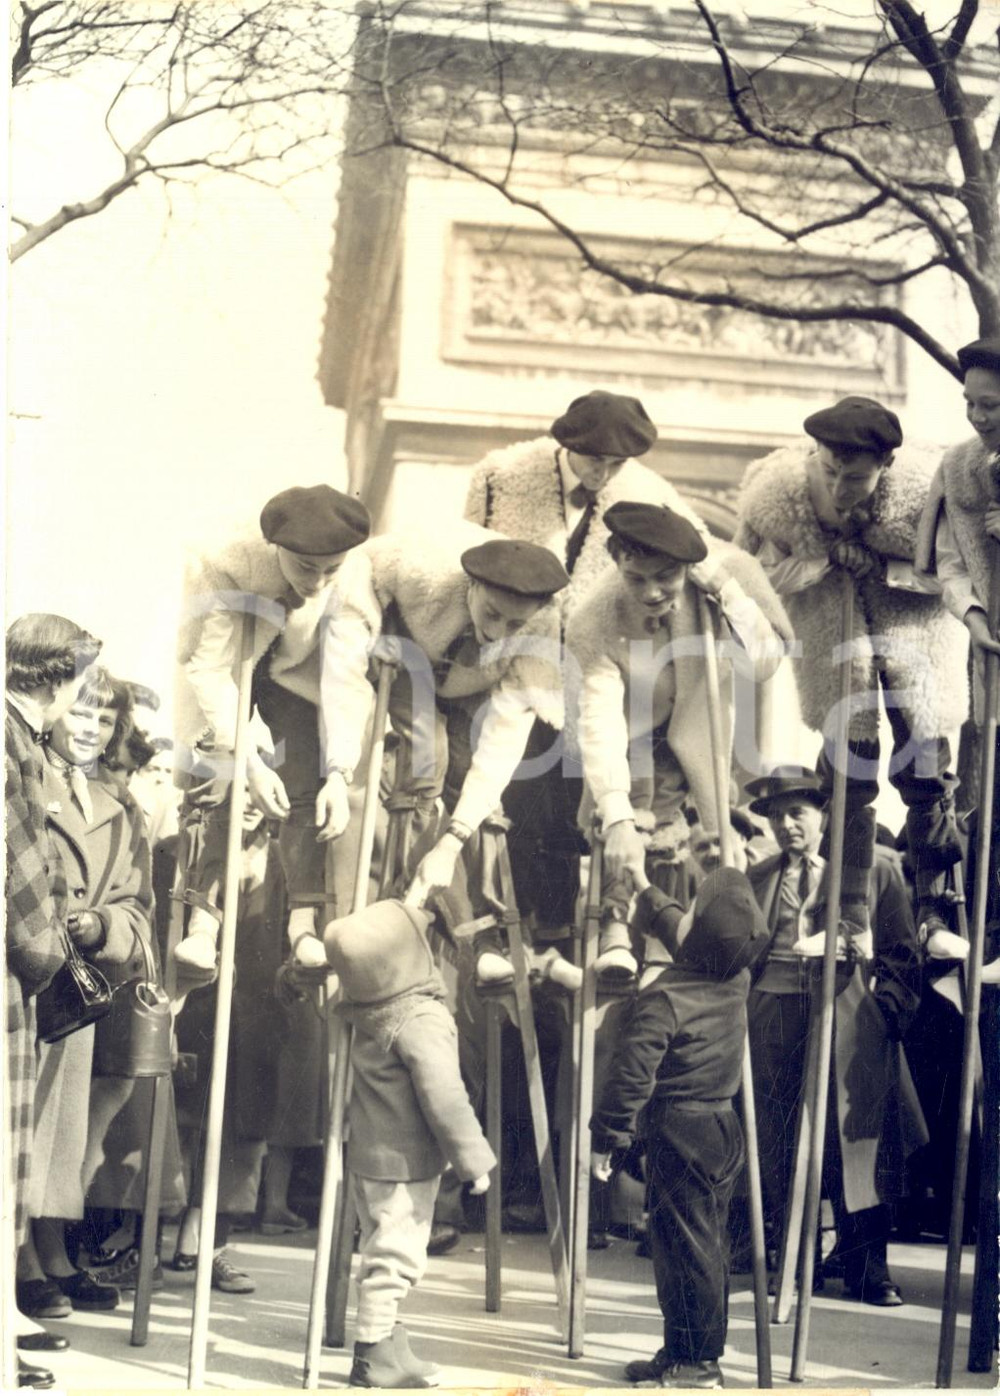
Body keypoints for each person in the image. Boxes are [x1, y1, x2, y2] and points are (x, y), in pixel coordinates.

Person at [463, 389, 709, 956]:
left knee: (567, 814)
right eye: (593, 460)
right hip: (514, 662)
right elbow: (469, 557)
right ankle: (506, 933)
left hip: (584, 671)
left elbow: (694, 550)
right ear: (565, 444)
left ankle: (558, 940)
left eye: (616, 464)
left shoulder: (645, 491)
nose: (604, 473)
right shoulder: (501, 478)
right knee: (513, 800)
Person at [735, 397, 969, 963]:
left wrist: (887, 569)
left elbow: (952, 575)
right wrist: (821, 564)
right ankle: (845, 918)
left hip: (914, 649)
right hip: (841, 657)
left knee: (924, 781)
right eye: (830, 470)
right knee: (847, 784)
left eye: (856, 478)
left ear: (886, 466)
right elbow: (755, 570)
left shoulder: (926, 493)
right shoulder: (781, 494)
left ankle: (934, 911)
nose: (840, 487)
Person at [316, 524, 575, 983]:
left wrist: (453, 839)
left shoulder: (538, 634)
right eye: (492, 613)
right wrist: (372, 633)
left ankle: (481, 933)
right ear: (470, 585)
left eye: (514, 625)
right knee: (425, 761)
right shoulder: (418, 563)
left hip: (471, 688)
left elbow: (503, 742)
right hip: (404, 657)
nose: (498, 632)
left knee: (478, 795)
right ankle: (398, 908)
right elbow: (358, 593)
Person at [566, 501, 790, 981]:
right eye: (635, 578)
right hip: (634, 744)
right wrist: (617, 813)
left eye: (665, 577)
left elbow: (767, 662)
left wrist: (725, 591)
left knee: (723, 840)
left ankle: (724, 942)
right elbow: (601, 722)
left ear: (689, 566)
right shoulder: (592, 621)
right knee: (630, 820)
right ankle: (616, 927)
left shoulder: (721, 583)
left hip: (704, 741)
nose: (651, 592)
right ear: (616, 559)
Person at [743, 767, 924, 1306]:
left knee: (856, 1142)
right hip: (773, 1017)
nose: (784, 825)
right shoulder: (757, 877)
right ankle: (794, 1262)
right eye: (775, 815)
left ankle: (867, 1266)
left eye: (796, 812)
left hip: (846, 1017)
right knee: (777, 1139)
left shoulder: (875, 872)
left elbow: (902, 955)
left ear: (824, 814)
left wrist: (880, 1014)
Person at [174, 483, 371, 974]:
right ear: (277, 549)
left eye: (331, 569)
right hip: (228, 669)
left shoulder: (350, 578)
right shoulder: (229, 562)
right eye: (306, 568)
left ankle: (303, 925)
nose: (319, 582)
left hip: (293, 675)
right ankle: (205, 922)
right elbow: (211, 670)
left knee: (307, 776)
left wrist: (340, 774)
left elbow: (347, 681)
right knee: (223, 780)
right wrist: (248, 761)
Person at [590, 865, 770, 1390]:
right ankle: (683, 1348)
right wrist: (644, 886)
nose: (682, 915)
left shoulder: (665, 998)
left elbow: (631, 1075)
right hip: (722, 1125)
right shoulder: (736, 973)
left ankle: (699, 1365)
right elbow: (682, 928)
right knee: (694, 1244)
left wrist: (610, 1138)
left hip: (681, 1132)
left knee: (686, 1251)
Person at [17, 668, 156, 1325]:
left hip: (78, 985)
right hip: (26, 972)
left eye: (104, 719)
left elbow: (137, 901)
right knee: (22, 1124)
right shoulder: (25, 775)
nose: (89, 727)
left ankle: (49, 1250)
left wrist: (104, 926)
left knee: (60, 1130)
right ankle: (21, 1259)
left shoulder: (118, 810)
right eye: (80, 713)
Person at [323, 899, 495, 1389]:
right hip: (404, 1162)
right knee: (395, 1256)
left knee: (384, 1244)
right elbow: (446, 1096)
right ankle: (373, 1352)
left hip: (370, 1157)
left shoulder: (365, 1009)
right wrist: (473, 1163)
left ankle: (388, 1341)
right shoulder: (421, 1019)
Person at [5, 614, 101, 1390]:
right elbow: (18, 865)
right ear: (59, 677)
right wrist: (40, 956)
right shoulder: (11, 740)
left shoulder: (24, 739)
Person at [916, 334, 1000, 983]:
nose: (977, 417)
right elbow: (947, 563)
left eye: (992, 406)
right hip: (991, 664)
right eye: (970, 403)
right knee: (987, 795)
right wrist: (972, 619)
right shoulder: (959, 466)